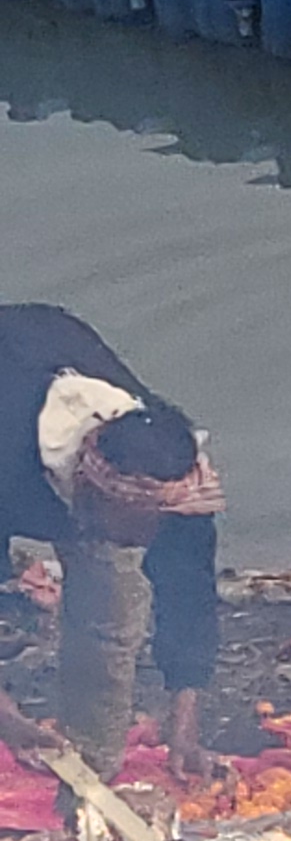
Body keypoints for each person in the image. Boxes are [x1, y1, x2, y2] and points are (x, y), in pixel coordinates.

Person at [0, 307, 222, 774]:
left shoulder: (167, 471)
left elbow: (188, 590)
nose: (144, 543)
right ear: (89, 491)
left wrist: (183, 722)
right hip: (13, 430)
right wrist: (4, 712)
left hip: (48, 344)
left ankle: (91, 769)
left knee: (110, 613)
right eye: (132, 527)